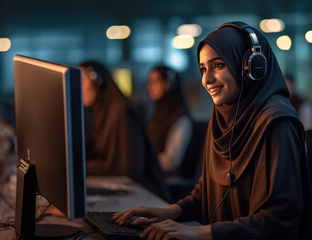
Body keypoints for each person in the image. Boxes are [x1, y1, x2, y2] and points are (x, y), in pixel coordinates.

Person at [113, 22, 312, 239]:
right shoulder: (221, 120)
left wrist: (197, 233)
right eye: (203, 69)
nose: (207, 80)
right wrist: (167, 212)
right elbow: (207, 196)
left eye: (218, 66)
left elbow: (279, 218)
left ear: (251, 68)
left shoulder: (277, 122)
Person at [79, 61, 171, 201]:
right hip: (124, 189)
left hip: (144, 195)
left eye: (82, 81)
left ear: (98, 82)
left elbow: (125, 167)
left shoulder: (121, 111)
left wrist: (79, 168)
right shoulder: (99, 112)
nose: (78, 88)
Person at [146, 66, 193, 174]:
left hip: (167, 182)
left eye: (155, 81)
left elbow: (171, 161)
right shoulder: (153, 117)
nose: (149, 86)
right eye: (149, 81)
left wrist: (141, 162)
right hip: (153, 176)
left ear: (168, 85)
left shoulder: (181, 120)